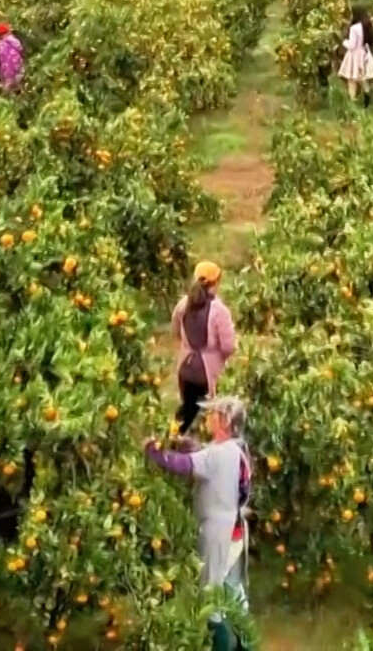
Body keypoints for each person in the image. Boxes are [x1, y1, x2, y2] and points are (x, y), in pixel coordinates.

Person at [143, 395, 252, 617]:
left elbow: (183, 465)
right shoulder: (234, 449)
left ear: (225, 421)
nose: (208, 417)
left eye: (213, 414)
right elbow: (204, 454)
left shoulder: (218, 454)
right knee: (231, 587)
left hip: (218, 531)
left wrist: (154, 452)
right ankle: (245, 641)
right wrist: (188, 445)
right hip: (234, 529)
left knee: (210, 593)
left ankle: (217, 641)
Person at [172, 261, 238, 435]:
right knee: (211, 414)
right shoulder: (219, 311)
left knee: (187, 409)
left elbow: (176, 331)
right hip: (208, 374)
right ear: (217, 282)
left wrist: (188, 346)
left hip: (185, 369)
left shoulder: (183, 304)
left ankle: (171, 440)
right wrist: (221, 358)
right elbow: (228, 346)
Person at [338, 5, 373, 107]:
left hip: (354, 55)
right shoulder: (367, 25)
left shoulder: (354, 28)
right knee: (362, 77)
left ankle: (352, 101)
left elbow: (352, 45)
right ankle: (367, 94)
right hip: (364, 52)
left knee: (351, 78)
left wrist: (343, 42)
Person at [0, 23, 24, 92]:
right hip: (17, 66)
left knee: (8, 87)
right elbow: (21, 50)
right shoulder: (15, 41)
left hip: (6, 69)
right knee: (19, 82)